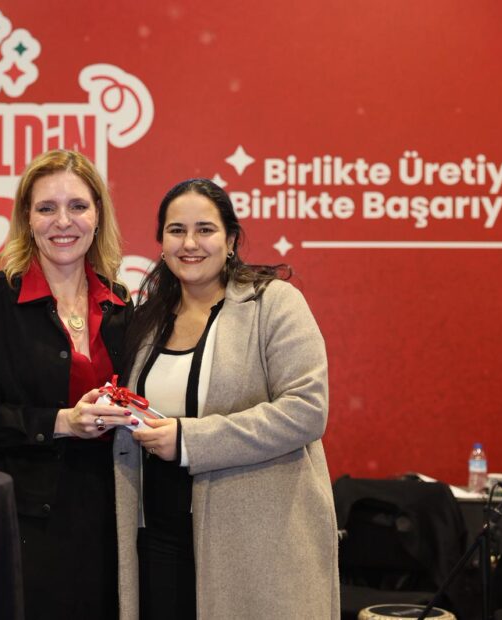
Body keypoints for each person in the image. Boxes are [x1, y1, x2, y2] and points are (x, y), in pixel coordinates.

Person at [115, 178, 339, 619]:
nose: (189, 243)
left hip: (256, 544)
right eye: (176, 230)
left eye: (205, 229)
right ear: (161, 243)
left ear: (231, 240)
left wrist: (190, 441)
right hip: (159, 536)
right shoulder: (146, 319)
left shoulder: (274, 303)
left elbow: (307, 410)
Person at [0, 149, 133, 619]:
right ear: (27, 218)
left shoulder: (120, 303)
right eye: (47, 208)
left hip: (109, 520)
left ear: (98, 215)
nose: (63, 221)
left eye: (78, 206)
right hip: (21, 523)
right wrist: (61, 422)